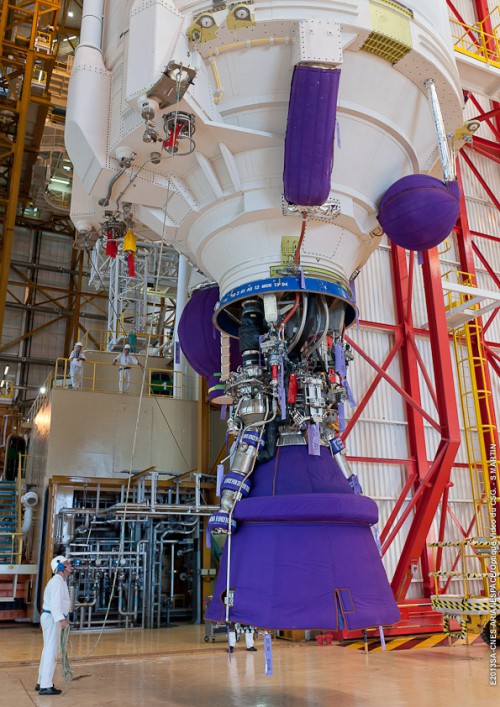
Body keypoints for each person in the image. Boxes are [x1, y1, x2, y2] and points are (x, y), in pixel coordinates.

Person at [36, 555, 72, 695]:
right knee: (51, 651)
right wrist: (61, 619)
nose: (69, 564)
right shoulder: (57, 582)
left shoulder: (59, 581)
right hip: (52, 618)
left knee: (47, 650)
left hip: (50, 617)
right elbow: (56, 604)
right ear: (60, 567)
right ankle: (46, 686)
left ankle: (41, 682)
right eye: (66, 563)